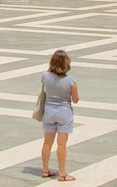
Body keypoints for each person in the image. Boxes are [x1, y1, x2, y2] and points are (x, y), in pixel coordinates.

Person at [41, 49, 79, 181]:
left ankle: (45, 170)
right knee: (61, 145)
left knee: (47, 142)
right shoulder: (71, 80)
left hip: (49, 111)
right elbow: (75, 99)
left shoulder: (45, 76)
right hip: (64, 112)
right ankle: (62, 173)